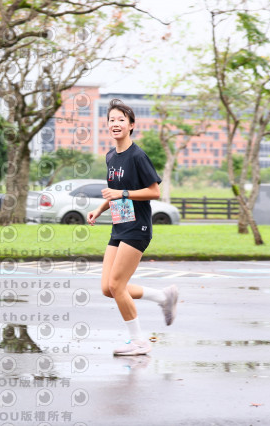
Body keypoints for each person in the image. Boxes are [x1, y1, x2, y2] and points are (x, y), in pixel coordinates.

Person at [87, 99, 179, 356]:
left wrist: (123, 193)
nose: (115, 124)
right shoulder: (110, 156)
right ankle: (163, 298)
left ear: (131, 125)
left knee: (117, 285)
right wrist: (100, 209)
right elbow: (114, 192)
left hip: (137, 227)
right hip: (119, 225)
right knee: (108, 288)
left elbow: (154, 191)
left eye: (121, 120)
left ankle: (139, 341)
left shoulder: (138, 156)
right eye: (111, 120)